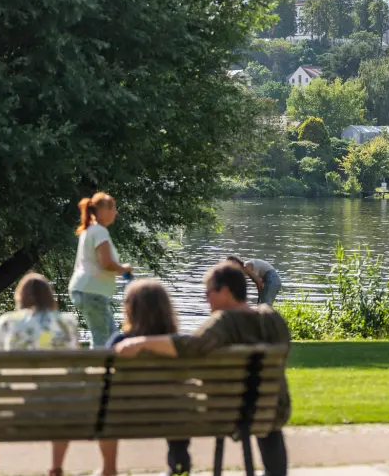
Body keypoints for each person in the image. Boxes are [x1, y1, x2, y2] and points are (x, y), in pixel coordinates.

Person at [114, 261, 291, 476]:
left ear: (225, 291)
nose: (206, 299)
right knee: (264, 408)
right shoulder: (273, 319)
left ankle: (178, 467)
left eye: (209, 293)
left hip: (226, 411)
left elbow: (190, 347)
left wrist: (141, 342)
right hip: (273, 407)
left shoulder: (223, 322)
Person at [0, 273, 79, 476]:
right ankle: (56, 467)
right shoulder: (67, 322)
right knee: (62, 394)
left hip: (15, 402)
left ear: (20, 297)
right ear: (50, 296)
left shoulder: (8, 322)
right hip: (59, 403)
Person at [100, 279, 180, 476]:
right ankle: (178, 465)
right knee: (179, 402)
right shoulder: (176, 343)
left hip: (125, 412)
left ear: (130, 309)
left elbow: (104, 376)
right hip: (170, 411)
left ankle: (109, 468)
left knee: (105, 405)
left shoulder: (120, 341)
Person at [68, 192, 132, 347]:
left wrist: (119, 270)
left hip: (86, 290)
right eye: (113, 209)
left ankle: (106, 369)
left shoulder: (90, 230)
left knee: (112, 337)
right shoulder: (99, 231)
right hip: (92, 292)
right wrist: (123, 268)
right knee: (102, 339)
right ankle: (97, 369)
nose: (116, 213)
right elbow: (106, 263)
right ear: (103, 210)